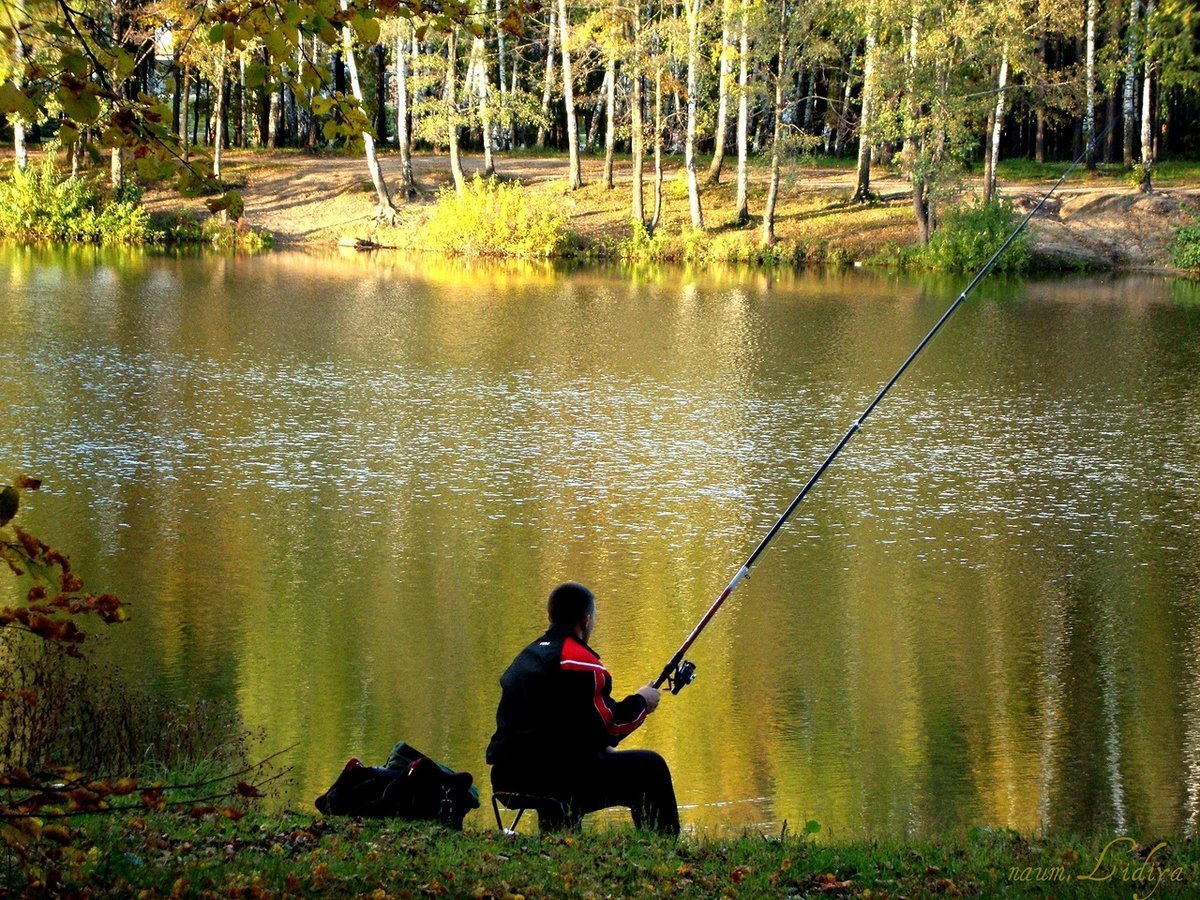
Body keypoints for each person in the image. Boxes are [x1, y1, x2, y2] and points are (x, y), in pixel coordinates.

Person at [485, 582, 679, 834]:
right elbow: (609, 726)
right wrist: (643, 701)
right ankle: (662, 846)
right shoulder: (580, 661)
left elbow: (557, 724)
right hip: (555, 779)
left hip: (508, 776)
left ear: (550, 616)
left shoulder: (527, 657)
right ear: (585, 620)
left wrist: (595, 745)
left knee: (568, 762)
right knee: (651, 767)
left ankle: (559, 840)